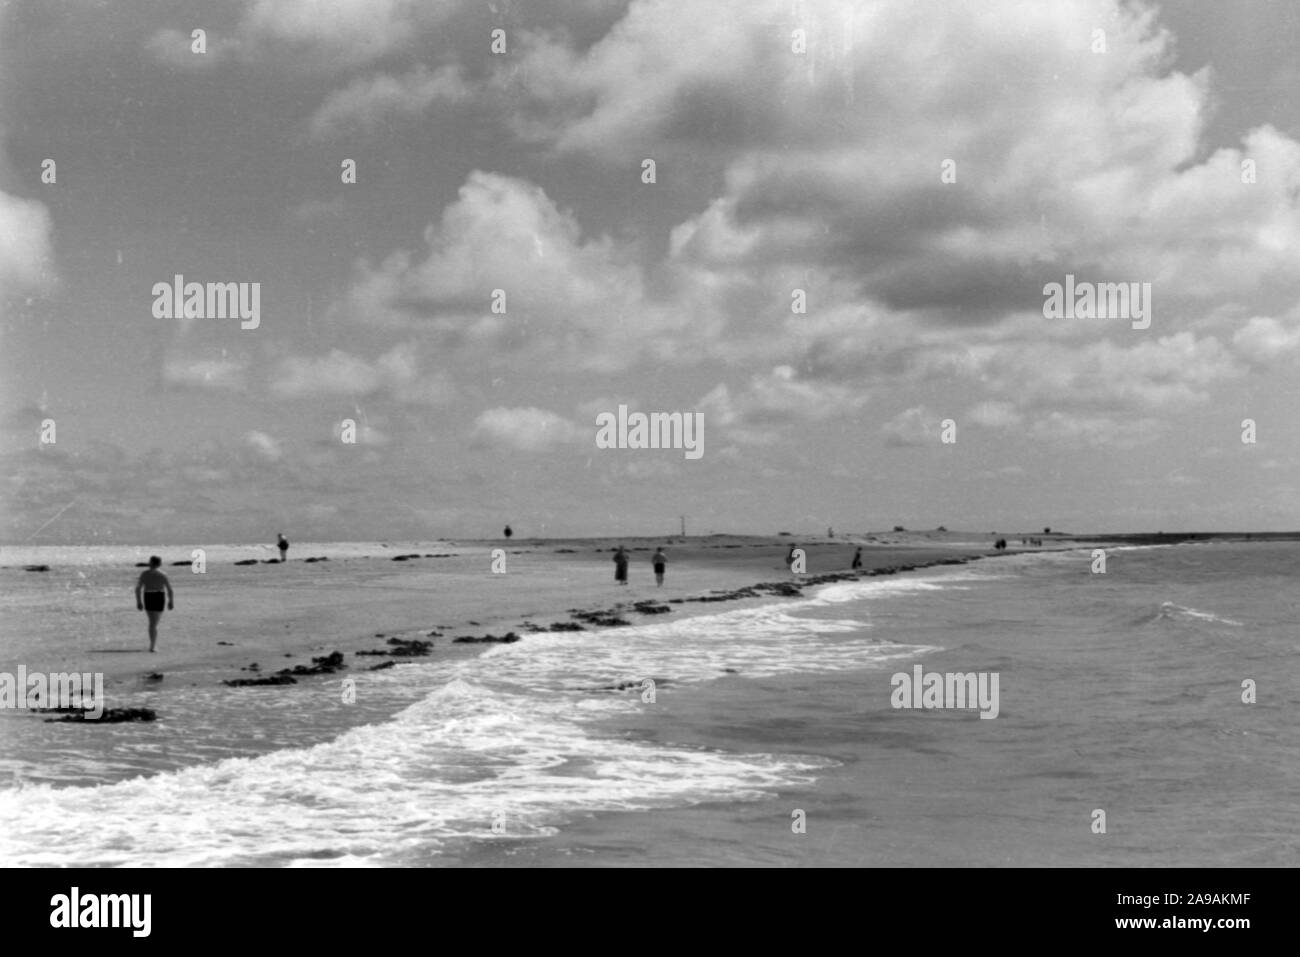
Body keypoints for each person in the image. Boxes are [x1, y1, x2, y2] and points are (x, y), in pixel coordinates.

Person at [135, 556, 174, 653]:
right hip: (158, 596)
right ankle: (152, 646)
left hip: (148, 596)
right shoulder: (163, 574)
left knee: (152, 622)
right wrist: (171, 601)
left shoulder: (144, 574)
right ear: (159, 564)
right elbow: (169, 589)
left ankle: (152, 645)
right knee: (153, 623)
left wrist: (139, 601)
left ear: (150, 563)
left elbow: (138, 589)